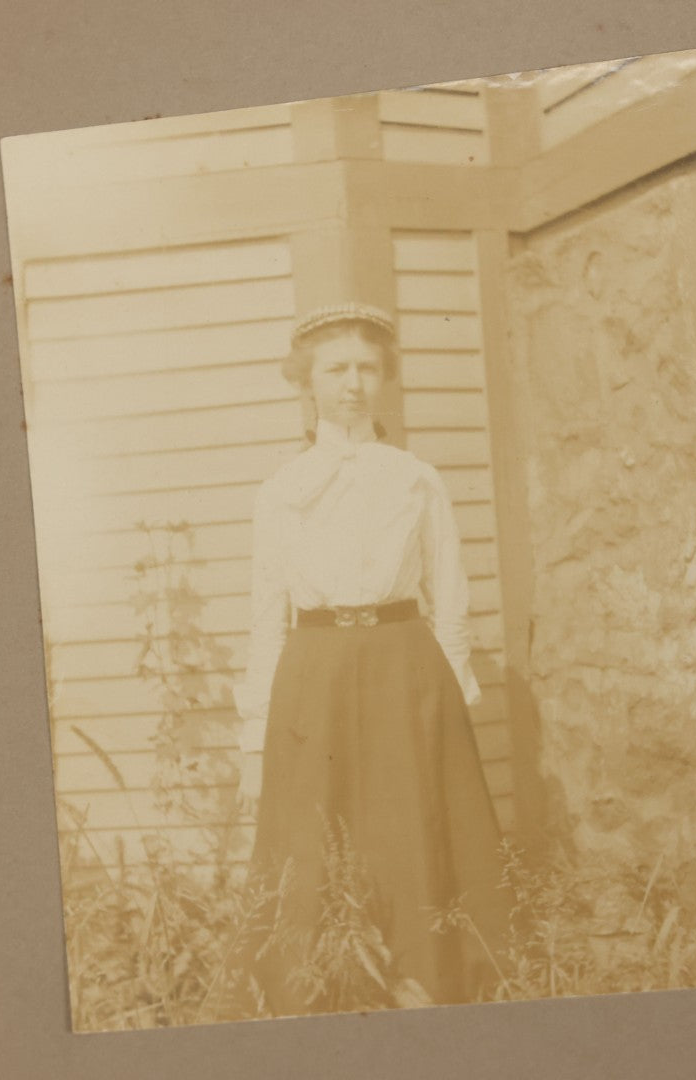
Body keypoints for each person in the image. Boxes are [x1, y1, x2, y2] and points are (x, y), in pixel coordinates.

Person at [230, 301, 510, 1018]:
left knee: (410, 827)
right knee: (314, 836)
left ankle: (425, 988)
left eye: (367, 368)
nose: (353, 384)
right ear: (307, 381)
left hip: (402, 665)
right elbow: (266, 617)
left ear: (384, 377)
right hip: (314, 672)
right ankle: (322, 991)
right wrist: (255, 735)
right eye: (336, 369)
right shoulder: (281, 491)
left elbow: (449, 594)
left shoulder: (415, 478)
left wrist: (445, 701)